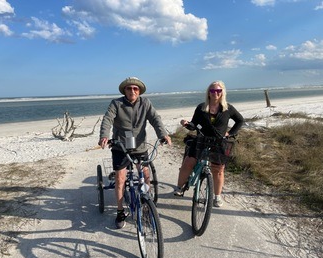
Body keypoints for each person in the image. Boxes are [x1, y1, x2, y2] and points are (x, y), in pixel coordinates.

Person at [98, 76, 171, 229]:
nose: (132, 90)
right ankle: (119, 211)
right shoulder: (116, 104)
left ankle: (145, 204)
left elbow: (155, 119)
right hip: (120, 147)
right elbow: (107, 119)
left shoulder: (145, 103)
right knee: (120, 179)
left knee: (145, 175)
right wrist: (104, 135)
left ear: (139, 91)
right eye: (129, 88)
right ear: (125, 90)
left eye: (135, 88)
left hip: (140, 147)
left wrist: (163, 135)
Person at [174, 80, 244, 207]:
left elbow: (240, 120)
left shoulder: (228, 108)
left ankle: (217, 197)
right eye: (212, 90)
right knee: (188, 162)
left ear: (222, 93)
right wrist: (186, 124)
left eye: (218, 91)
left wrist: (230, 133)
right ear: (209, 93)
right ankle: (179, 187)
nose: (215, 93)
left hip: (219, 142)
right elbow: (194, 124)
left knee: (218, 170)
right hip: (201, 140)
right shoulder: (201, 107)